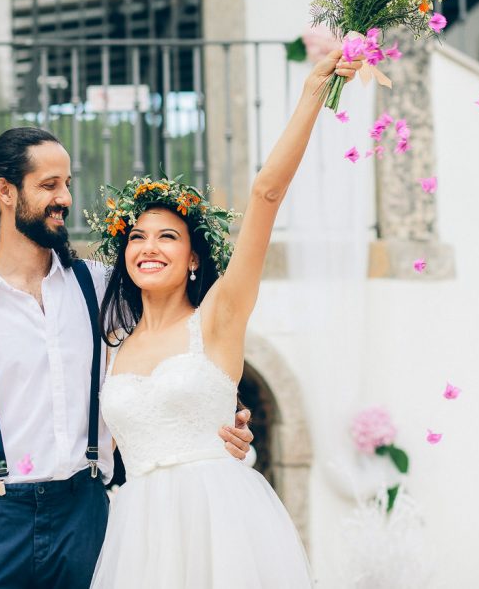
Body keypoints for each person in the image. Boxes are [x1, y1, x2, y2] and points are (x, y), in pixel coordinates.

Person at [0, 126, 254, 589]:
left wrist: (221, 412)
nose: (64, 198)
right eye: (49, 185)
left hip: (85, 516)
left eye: (67, 183)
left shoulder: (101, 287)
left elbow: (178, 342)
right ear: (5, 191)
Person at [86, 49, 361, 587]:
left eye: (167, 237)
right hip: (139, 534)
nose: (148, 247)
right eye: (137, 237)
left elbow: (266, 194)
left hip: (218, 520)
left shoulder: (217, 317)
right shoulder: (111, 343)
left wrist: (313, 93)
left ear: (193, 258)